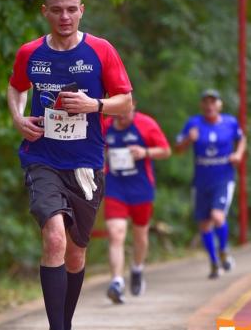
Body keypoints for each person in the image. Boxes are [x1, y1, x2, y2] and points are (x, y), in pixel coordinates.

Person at [7, 0, 132, 330]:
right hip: (42, 158)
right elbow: (16, 88)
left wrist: (95, 104)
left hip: (85, 164)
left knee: (76, 252)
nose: (64, 17)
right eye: (56, 10)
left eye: (71, 9)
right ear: (45, 11)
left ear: (81, 10)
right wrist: (17, 118)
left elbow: (126, 100)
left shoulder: (101, 51)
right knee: (54, 237)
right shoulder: (31, 52)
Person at [103, 101, 171, 304]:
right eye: (117, 115)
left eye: (124, 114)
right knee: (116, 233)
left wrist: (145, 152)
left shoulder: (146, 124)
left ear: (133, 108)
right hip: (115, 187)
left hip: (141, 189)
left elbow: (166, 150)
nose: (120, 118)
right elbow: (96, 149)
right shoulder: (105, 125)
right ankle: (116, 281)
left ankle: (137, 268)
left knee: (140, 236)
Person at [175, 89, 247, 279]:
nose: (209, 106)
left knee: (217, 216)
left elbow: (242, 139)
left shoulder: (230, 123)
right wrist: (188, 140)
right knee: (205, 224)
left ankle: (223, 249)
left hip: (223, 178)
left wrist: (238, 154)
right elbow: (178, 149)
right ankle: (214, 262)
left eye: (213, 102)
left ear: (219, 105)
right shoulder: (194, 123)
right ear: (202, 106)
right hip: (201, 182)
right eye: (206, 102)